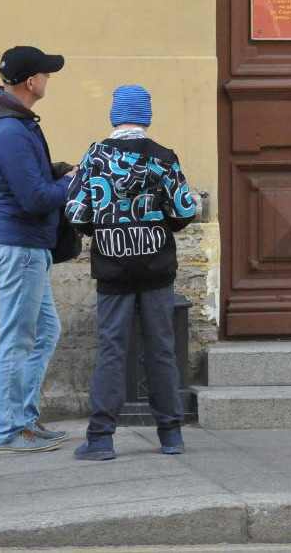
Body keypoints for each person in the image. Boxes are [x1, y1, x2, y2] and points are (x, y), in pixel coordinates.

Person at [66, 85, 198, 461]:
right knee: (161, 349)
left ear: (114, 115)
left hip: (112, 268)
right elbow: (184, 211)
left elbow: (76, 213)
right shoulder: (164, 158)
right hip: (156, 268)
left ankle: (101, 438)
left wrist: (105, 229)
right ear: (146, 116)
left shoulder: (95, 157)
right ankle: (171, 434)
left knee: (111, 349)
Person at [0, 45, 73, 454]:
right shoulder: (10, 130)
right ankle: (10, 431)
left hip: (24, 243)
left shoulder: (11, 123)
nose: (49, 80)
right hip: (17, 245)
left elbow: (27, 180)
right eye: (46, 75)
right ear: (31, 82)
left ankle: (25, 420)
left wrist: (57, 172)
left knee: (46, 330)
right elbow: (33, 198)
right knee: (15, 338)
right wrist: (73, 184)